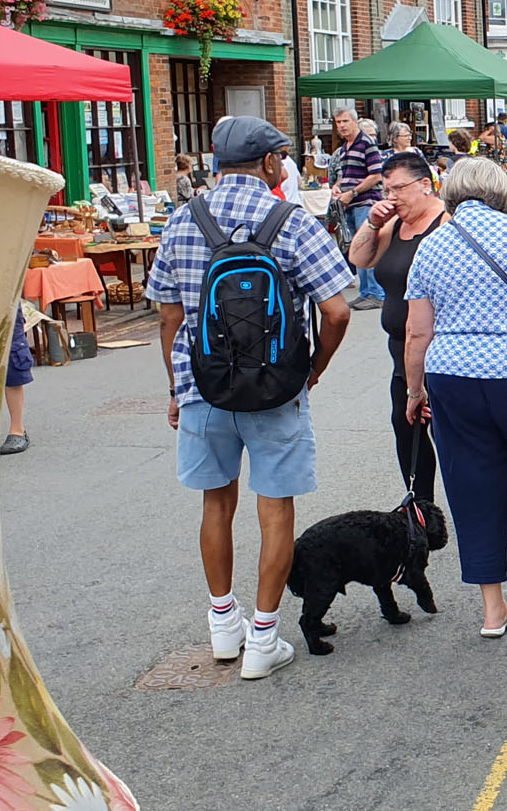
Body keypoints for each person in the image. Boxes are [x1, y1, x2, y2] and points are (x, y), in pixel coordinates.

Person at [148, 116, 354, 680]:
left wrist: (176, 387)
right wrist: (313, 368)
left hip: (203, 388)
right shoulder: (291, 222)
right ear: (269, 163)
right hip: (276, 389)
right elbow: (337, 310)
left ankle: (222, 626)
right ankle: (264, 638)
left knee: (216, 504)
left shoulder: (182, 221)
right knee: (274, 509)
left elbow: (168, 317)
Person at [403, 158, 507, 637]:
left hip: (453, 376)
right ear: (503, 191)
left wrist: (415, 391)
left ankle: (494, 610)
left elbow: (417, 332)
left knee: (473, 490)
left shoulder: (431, 247)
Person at [346, 151, 448, 502]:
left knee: (451, 437)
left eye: (398, 189)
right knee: (407, 431)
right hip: (401, 351)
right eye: (386, 190)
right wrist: (373, 222)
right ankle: (421, 510)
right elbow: (359, 258)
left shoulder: (446, 223)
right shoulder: (395, 225)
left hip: (440, 351)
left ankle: (491, 498)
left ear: (425, 185)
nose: (391, 198)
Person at [331, 107, 389, 309]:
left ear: (355, 121)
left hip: (365, 203)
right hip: (351, 203)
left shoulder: (366, 143)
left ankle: (376, 293)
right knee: (357, 248)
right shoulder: (346, 147)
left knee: (367, 246)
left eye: (345, 121)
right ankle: (366, 292)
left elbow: (376, 175)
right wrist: (338, 186)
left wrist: (352, 192)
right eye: (338, 122)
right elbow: (348, 175)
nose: (342, 126)